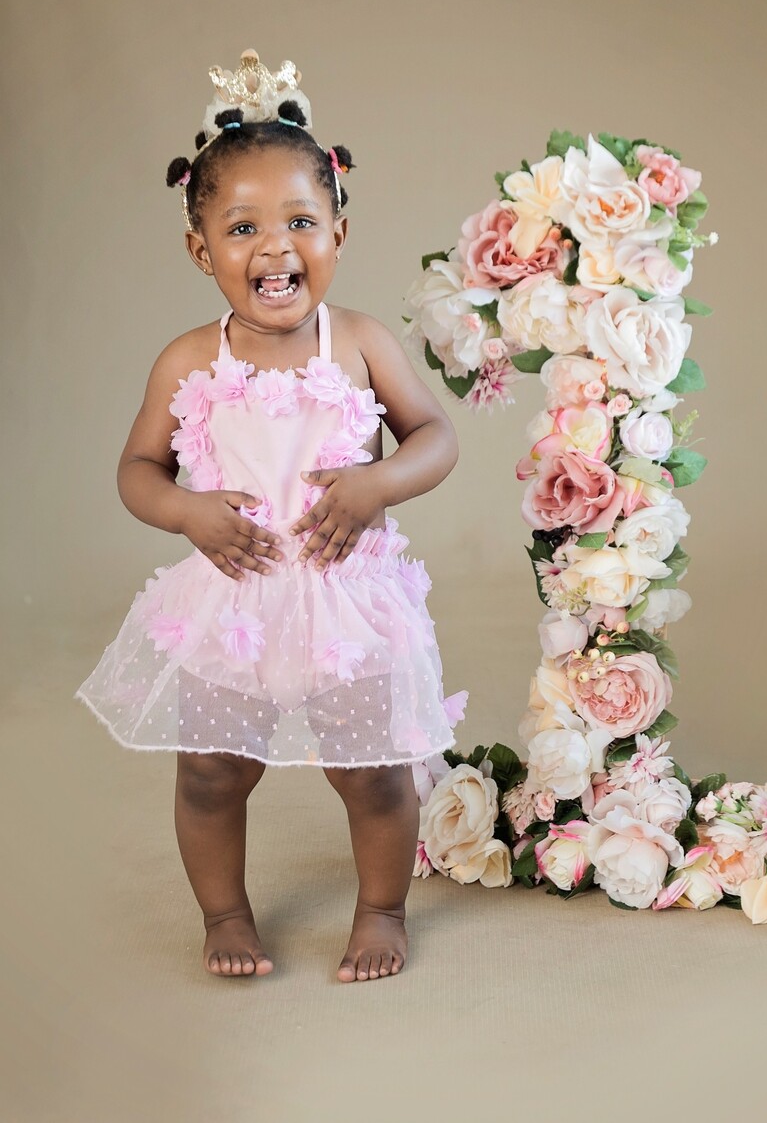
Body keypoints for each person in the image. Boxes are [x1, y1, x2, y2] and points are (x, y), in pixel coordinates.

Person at [76, 51, 466, 983]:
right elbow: (136, 470)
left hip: (346, 602)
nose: (275, 247)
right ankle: (226, 913)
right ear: (201, 249)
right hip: (235, 601)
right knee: (211, 773)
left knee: (373, 772)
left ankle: (381, 910)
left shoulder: (360, 342)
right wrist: (185, 511)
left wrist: (378, 483)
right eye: (243, 227)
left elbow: (437, 436)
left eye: (300, 221)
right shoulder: (187, 360)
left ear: (339, 231)